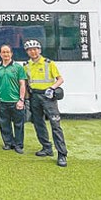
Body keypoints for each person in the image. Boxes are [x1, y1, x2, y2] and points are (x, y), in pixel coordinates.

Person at [24, 39, 68, 167]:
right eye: (30, 50)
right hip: (34, 96)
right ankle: (46, 147)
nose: (33, 51)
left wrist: (52, 88)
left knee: (55, 124)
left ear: (39, 50)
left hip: (48, 97)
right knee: (38, 123)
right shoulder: (26, 65)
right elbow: (26, 82)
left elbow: (60, 79)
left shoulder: (49, 63)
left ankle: (62, 154)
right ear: (27, 52)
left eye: (35, 49)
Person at [0, 44, 27, 154]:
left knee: (18, 125)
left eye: (7, 52)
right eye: (3, 52)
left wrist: (21, 100)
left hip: (16, 102)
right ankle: (8, 143)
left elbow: (22, 84)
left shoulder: (18, 68)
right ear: (0, 54)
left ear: (11, 53)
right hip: (2, 101)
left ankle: (18, 145)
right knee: (4, 124)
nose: (6, 54)